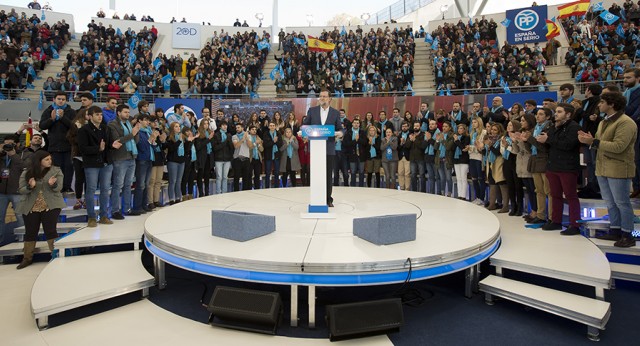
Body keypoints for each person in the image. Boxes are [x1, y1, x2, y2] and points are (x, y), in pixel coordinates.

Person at [578, 92, 637, 246]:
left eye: (602, 102)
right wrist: (589, 140)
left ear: (611, 104)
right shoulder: (604, 122)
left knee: (622, 202)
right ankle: (615, 230)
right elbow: (598, 142)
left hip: (618, 168)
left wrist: (594, 141)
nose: (599, 105)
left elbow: (619, 146)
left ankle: (627, 234)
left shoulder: (626, 122)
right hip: (602, 167)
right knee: (610, 202)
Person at [535, 103, 581, 234]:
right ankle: (556, 221)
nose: (556, 114)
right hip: (553, 165)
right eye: (556, 112)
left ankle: (575, 225)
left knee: (571, 196)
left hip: (568, 167)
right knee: (555, 195)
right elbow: (549, 144)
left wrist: (549, 139)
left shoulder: (574, 127)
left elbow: (568, 145)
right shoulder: (554, 127)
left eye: (559, 112)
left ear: (568, 114)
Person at [15, 150, 65, 269]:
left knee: (51, 231)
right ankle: (27, 259)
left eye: (50, 159)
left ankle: (55, 256)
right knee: (30, 232)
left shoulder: (56, 170)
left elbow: (59, 188)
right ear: (39, 161)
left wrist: (53, 184)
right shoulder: (27, 172)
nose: (50, 161)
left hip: (51, 205)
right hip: (31, 206)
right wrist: (29, 186)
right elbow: (21, 189)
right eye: (46, 159)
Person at [302, 90, 343, 207]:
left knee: (328, 174)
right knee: (315, 174)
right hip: (315, 149)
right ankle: (316, 198)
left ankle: (328, 199)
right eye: (320, 96)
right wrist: (303, 132)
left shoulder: (335, 113)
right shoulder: (312, 111)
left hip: (329, 149)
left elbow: (340, 128)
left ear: (330, 99)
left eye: (325, 96)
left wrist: (340, 133)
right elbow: (305, 125)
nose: (322, 98)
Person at [77, 106, 115, 227]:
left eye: (101, 115)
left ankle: (104, 215)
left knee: (105, 190)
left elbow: (109, 145)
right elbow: (82, 148)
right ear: (90, 116)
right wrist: (98, 148)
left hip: (106, 162)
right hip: (92, 163)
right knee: (91, 189)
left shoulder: (105, 128)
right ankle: (91, 217)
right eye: (97, 114)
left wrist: (113, 145)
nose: (100, 117)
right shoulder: (84, 130)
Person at [39, 91, 75, 193]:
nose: (61, 101)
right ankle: (57, 187)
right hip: (54, 146)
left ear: (66, 100)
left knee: (68, 168)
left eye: (63, 99)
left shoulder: (71, 111)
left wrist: (63, 118)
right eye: (59, 99)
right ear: (54, 99)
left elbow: (74, 126)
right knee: (56, 169)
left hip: (68, 146)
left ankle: (67, 187)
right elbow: (42, 126)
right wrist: (52, 119)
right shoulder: (48, 110)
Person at [108, 105, 140, 219]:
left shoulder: (129, 124)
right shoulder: (113, 125)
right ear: (118, 113)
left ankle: (127, 208)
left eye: (128, 112)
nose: (127, 114)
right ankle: (115, 210)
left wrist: (136, 133)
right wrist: (132, 134)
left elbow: (135, 140)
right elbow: (117, 141)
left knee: (128, 185)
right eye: (125, 112)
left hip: (131, 156)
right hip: (120, 158)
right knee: (118, 185)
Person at [0, 135, 25, 246]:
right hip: (1, 192)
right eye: (6, 144)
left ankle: (22, 240)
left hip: (16, 191)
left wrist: (14, 155)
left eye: (11, 144)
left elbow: (25, 167)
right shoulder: (1, 156)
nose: (8, 146)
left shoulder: (23, 154)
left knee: (20, 216)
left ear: (16, 144)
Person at [132, 114, 157, 214]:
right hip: (141, 159)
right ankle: (137, 207)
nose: (148, 122)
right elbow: (142, 146)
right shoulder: (139, 132)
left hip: (149, 159)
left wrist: (153, 140)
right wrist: (150, 139)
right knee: (140, 184)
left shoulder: (147, 131)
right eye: (145, 120)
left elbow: (152, 147)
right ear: (139, 121)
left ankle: (144, 204)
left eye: (148, 121)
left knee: (146, 184)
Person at [165, 122, 189, 205]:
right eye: (176, 126)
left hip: (181, 161)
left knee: (179, 181)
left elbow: (186, 150)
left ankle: (179, 198)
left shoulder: (183, 137)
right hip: (173, 161)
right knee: (173, 181)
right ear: (172, 128)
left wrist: (188, 142)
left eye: (179, 126)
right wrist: (179, 141)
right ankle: (171, 199)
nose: (178, 128)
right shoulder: (170, 138)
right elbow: (171, 149)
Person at [194, 118, 215, 196]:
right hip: (201, 157)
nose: (206, 125)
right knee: (200, 174)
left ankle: (207, 192)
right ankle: (200, 192)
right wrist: (208, 139)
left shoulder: (209, 132)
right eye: (205, 124)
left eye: (207, 124)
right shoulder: (199, 133)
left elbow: (212, 145)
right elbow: (198, 146)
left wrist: (211, 139)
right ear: (201, 125)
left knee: (207, 174)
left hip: (209, 155)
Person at [213, 121, 234, 194]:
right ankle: (218, 192)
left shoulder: (229, 135)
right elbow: (215, 148)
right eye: (223, 125)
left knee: (225, 177)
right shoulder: (216, 135)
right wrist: (224, 143)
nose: (225, 126)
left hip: (227, 159)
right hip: (218, 158)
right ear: (220, 126)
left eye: (226, 125)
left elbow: (232, 148)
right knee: (219, 177)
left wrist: (230, 143)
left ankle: (224, 192)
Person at [232, 123, 252, 191]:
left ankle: (245, 191)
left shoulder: (248, 136)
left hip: (246, 159)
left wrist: (246, 139)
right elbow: (236, 146)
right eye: (236, 128)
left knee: (246, 177)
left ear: (242, 128)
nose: (237, 129)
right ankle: (236, 191)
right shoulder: (234, 136)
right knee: (236, 177)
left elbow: (250, 146)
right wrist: (243, 139)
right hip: (237, 159)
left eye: (238, 127)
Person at [453, 124, 471, 200]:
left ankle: (463, 195)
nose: (459, 130)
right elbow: (453, 148)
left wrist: (457, 141)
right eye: (458, 128)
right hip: (456, 159)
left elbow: (463, 148)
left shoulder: (466, 137)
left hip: (464, 159)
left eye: (461, 128)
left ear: (464, 129)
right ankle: (459, 194)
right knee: (458, 178)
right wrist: (456, 141)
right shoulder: (456, 137)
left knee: (463, 178)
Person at [262, 122, 282, 188]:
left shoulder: (278, 134)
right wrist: (273, 142)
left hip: (276, 155)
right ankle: (267, 187)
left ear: (275, 126)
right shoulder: (266, 134)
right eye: (271, 125)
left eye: (273, 125)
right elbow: (265, 145)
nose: (272, 127)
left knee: (276, 172)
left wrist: (275, 142)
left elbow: (280, 144)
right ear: (269, 127)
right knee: (267, 172)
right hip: (268, 155)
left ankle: (276, 186)